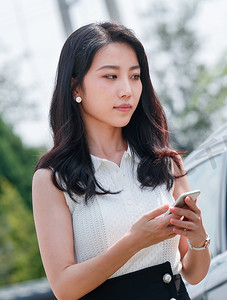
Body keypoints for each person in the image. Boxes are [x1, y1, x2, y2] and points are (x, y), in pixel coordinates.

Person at [32, 22, 210, 300]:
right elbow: (64, 288)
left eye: (135, 76)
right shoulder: (53, 179)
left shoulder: (165, 162)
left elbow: (192, 274)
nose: (127, 90)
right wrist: (134, 242)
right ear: (75, 87)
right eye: (111, 77)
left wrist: (199, 239)